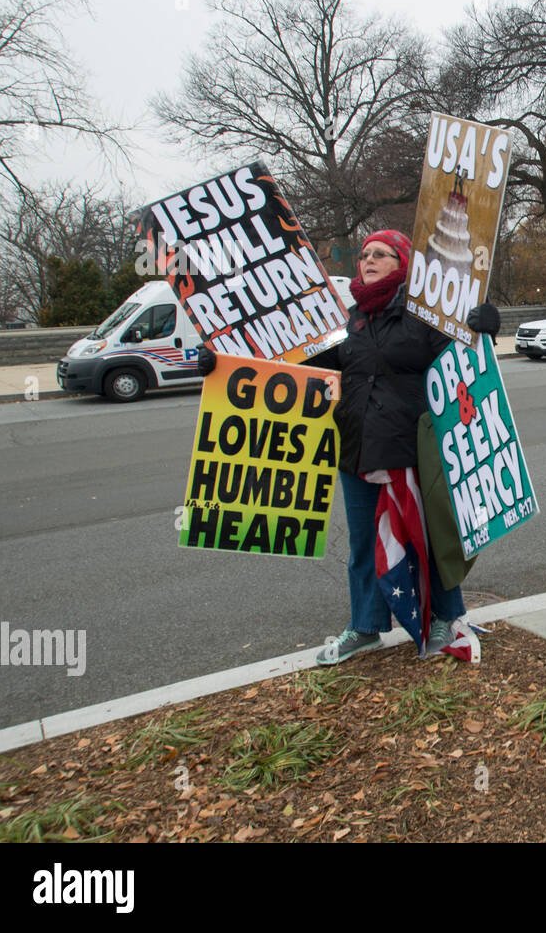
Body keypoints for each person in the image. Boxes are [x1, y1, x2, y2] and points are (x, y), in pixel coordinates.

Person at [197, 229, 499, 666]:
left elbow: (464, 357)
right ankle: (365, 628)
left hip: (412, 451)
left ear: (403, 265)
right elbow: (295, 369)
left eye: (382, 254)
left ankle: (446, 618)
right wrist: (220, 363)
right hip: (356, 452)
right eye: (364, 254)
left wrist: (483, 327)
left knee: (430, 539)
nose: (369, 260)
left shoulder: (426, 316)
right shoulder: (344, 323)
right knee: (362, 546)